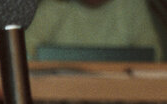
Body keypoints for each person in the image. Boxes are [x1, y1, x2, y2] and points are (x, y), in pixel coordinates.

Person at [25, 0, 163, 61]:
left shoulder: (131, 5)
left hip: (118, 101)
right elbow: (24, 52)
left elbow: (153, 54)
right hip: (59, 97)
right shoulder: (55, 5)